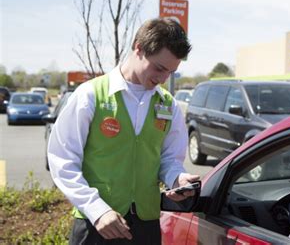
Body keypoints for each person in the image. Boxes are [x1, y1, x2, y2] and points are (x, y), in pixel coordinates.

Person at [47, 18, 199, 244]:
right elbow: (62, 159)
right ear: (138, 47)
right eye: (159, 68)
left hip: (145, 226)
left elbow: (169, 159)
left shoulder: (168, 105)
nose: (162, 78)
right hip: (96, 225)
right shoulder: (90, 95)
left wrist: (177, 178)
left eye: (171, 72)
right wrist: (96, 209)